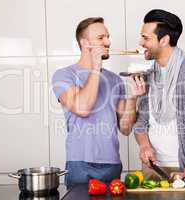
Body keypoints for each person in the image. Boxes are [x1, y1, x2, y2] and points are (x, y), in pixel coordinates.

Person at [52, 17, 145, 188]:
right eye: (101, 38)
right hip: (80, 164)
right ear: (85, 43)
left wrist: (133, 97)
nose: (108, 42)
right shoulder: (64, 75)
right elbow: (82, 108)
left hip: (112, 165)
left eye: (108, 37)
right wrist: (95, 68)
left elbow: (125, 128)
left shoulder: (114, 79)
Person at [132, 9, 185, 182]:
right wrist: (144, 145)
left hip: (184, 168)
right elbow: (141, 122)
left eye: (146, 38)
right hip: (152, 168)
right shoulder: (149, 75)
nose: (140, 42)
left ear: (164, 40)